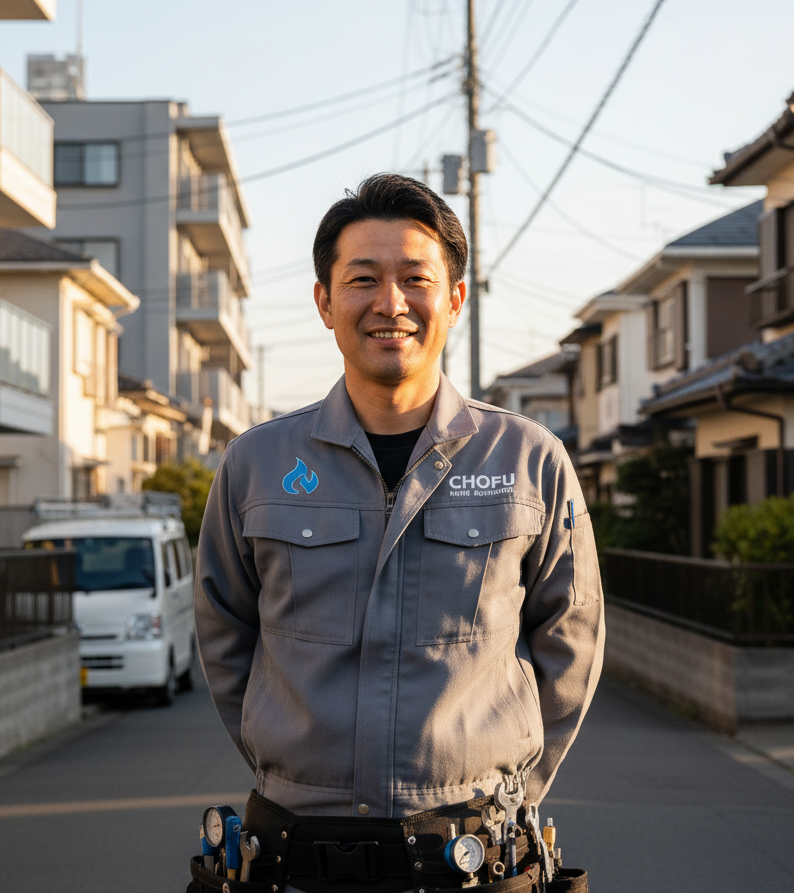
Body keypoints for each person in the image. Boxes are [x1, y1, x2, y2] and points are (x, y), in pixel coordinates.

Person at [194, 173, 604, 893]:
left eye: (415, 278)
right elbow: (223, 627)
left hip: (475, 857)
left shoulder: (527, 458)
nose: (390, 304)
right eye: (362, 280)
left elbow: (571, 637)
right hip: (292, 855)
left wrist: (511, 793)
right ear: (325, 302)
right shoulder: (257, 463)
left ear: (454, 298)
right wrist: (287, 760)